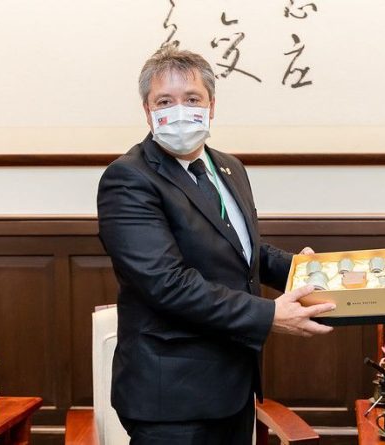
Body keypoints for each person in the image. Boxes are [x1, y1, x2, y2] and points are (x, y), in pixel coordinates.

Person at [97, 46, 335, 445]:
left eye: (192, 99)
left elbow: (242, 250)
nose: (180, 110)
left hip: (233, 386)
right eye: (165, 101)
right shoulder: (129, 178)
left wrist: (301, 270)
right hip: (171, 399)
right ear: (147, 111)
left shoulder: (228, 167)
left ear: (211, 105)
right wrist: (268, 314)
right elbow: (165, 282)